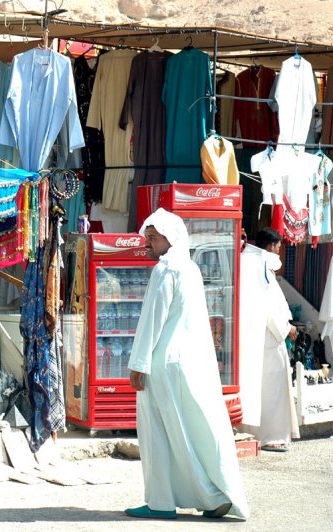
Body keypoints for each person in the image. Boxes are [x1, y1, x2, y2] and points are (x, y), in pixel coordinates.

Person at [125, 208, 248, 520]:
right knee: (185, 433)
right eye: (148, 237)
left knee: (161, 436)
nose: (149, 242)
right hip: (185, 363)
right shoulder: (189, 268)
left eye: (154, 237)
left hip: (163, 364)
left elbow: (153, 319)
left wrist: (138, 363)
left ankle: (181, 500)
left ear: (171, 238)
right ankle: (194, 497)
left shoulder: (166, 269)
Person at [240, 228, 299, 452]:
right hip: (268, 336)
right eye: (278, 247)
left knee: (253, 384)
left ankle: (252, 432)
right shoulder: (263, 263)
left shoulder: (246, 260)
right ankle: (271, 436)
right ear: (272, 247)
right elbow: (270, 304)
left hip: (250, 335)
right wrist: (286, 328)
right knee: (273, 387)